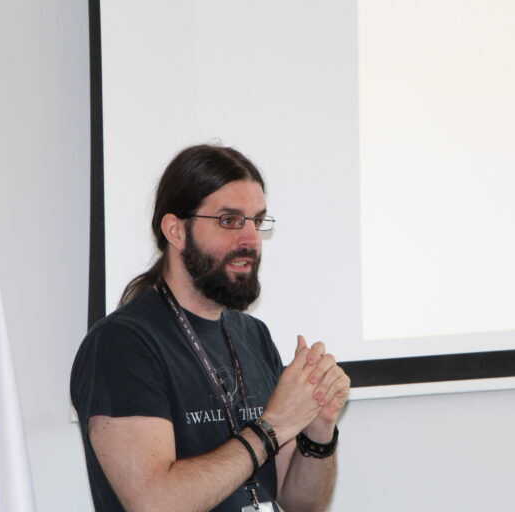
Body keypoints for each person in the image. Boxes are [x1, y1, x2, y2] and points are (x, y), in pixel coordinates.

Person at [71, 144, 350, 512]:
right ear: (175, 231)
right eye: (229, 221)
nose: (251, 240)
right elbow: (155, 504)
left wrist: (319, 430)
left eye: (256, 221)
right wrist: (272, 427)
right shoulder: (121, 344)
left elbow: (301, 502)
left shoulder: (254, 336)